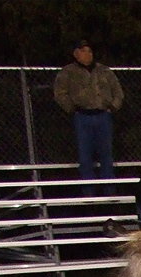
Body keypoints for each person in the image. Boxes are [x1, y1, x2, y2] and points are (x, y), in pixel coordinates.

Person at [53, 40, 123, 194]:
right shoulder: (68, 72)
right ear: (76, 54)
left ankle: (110, 193)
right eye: (84, 51)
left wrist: (113, 107)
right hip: (82, 117)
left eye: (90, 51)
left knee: (106, 156)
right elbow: (60, 93)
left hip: (103, 116)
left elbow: (118, 91)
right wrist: (71, 108)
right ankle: (89, 193)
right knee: (85, 158)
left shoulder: (104, 71)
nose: (88, 54)